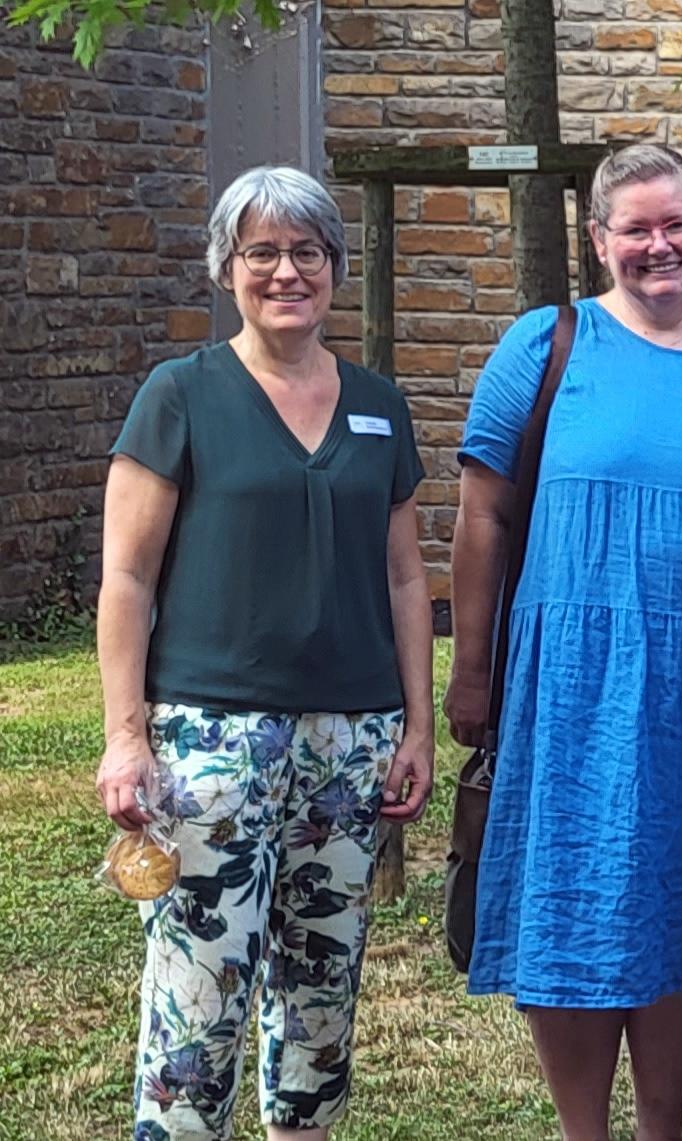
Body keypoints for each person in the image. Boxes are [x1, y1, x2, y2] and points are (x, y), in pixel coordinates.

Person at [445, 142, 682, 1141]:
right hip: (570, 681)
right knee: (576, 890)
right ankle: (585, 1130)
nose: (660, 246)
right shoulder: (546, 345)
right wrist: (471, 673)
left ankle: (664, 1124)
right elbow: (480, 518)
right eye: (636, 229)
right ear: (598, 240)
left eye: (677, 224)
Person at [94, 164, 434, 1141]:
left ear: (335, 265)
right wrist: (126, 738)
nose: (287, 271)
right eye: (263, 252)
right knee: (199, 994)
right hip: (210, 740)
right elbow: (127, 579)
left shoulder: (380, 405)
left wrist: (414, 722)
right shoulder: (181, 395)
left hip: (351, 740)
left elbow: (407, 577)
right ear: (228, 268)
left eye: (308, 251)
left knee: (322, 995)